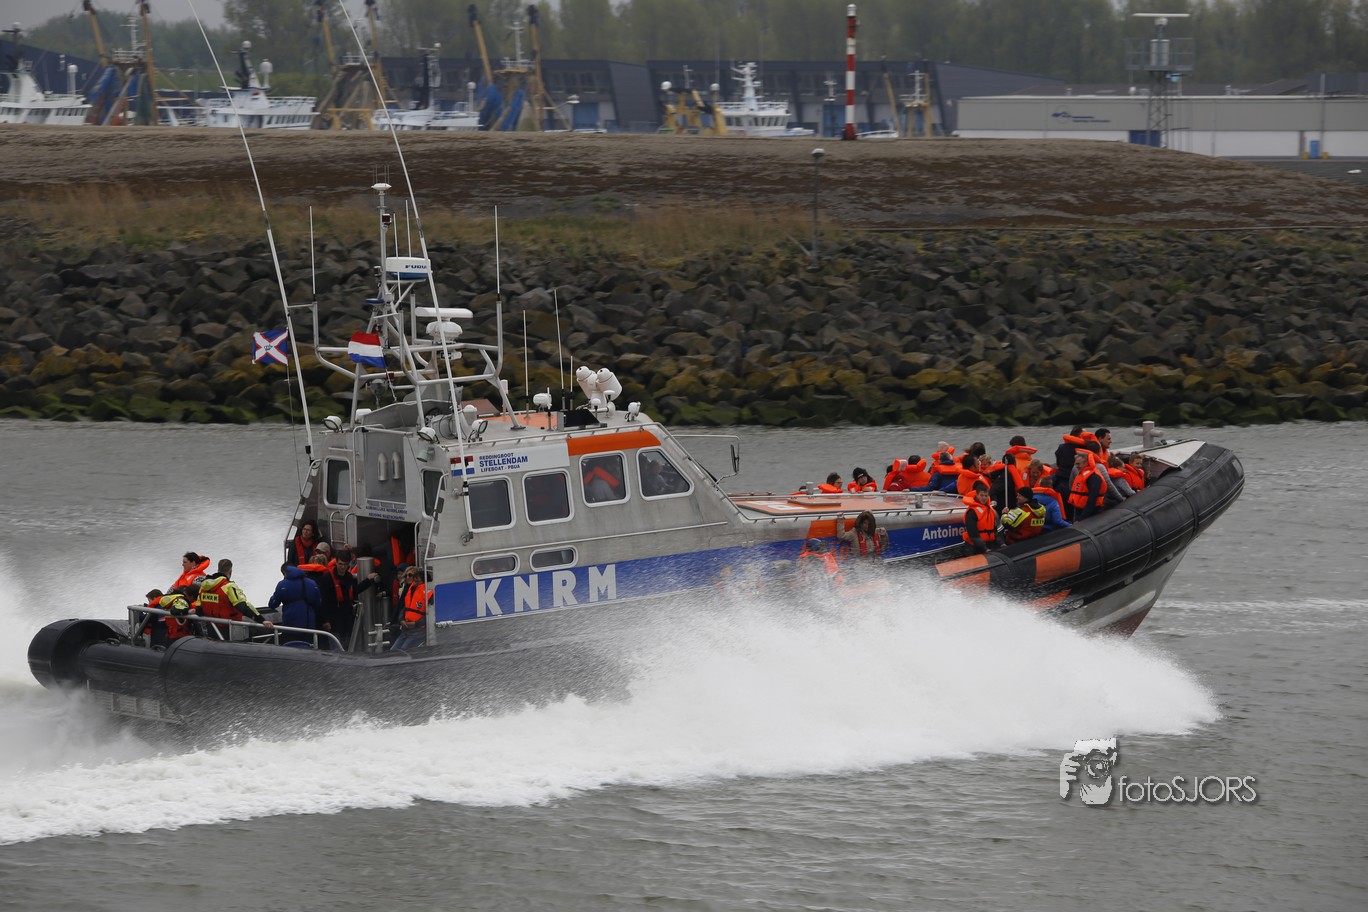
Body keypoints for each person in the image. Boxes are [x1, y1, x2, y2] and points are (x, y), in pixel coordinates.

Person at [197, 558, 273, 640]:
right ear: (230, 572)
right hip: (229, 629)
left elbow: (198, 610)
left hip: (211, 628)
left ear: (218, 569)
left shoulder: (203, 587)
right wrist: (262, 620)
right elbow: (242, 606)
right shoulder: (229, 586)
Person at [268, 562, 322, 644]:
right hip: (309, 628)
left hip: (290, 629)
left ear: (284, 572)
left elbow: (273, 604)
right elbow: (318, 604)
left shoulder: (282, 584)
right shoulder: (312, 583)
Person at [393, 567, 431, 650]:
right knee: (393, 651)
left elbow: (431, 615)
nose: (415, 580)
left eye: (416, 578)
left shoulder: (428, 592)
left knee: (405, 651)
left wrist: (415, 623)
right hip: (406, 629)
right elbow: (404, 608)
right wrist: (401, 619)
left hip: (418, 631)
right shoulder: (410, 590)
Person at [1066, 451, 1105, 521]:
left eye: (1078, 464)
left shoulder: (1094, 477)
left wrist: (1082, 518)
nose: (1076, 466)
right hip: (1079, 510)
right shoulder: (1081, 475)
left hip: (1091, 513)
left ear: (1086, 463)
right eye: (1075, 464)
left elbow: (1092, 499)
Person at [961, 482, 999, 554]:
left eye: (986, 496)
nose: (984, 498)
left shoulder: (990, 510)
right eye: (981, 495)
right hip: (974, 547)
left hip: (988, 545)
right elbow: (973, 534)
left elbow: (995, 530)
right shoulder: (972, 512)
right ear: (977, 495)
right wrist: (984, 549)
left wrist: (1001, 543)